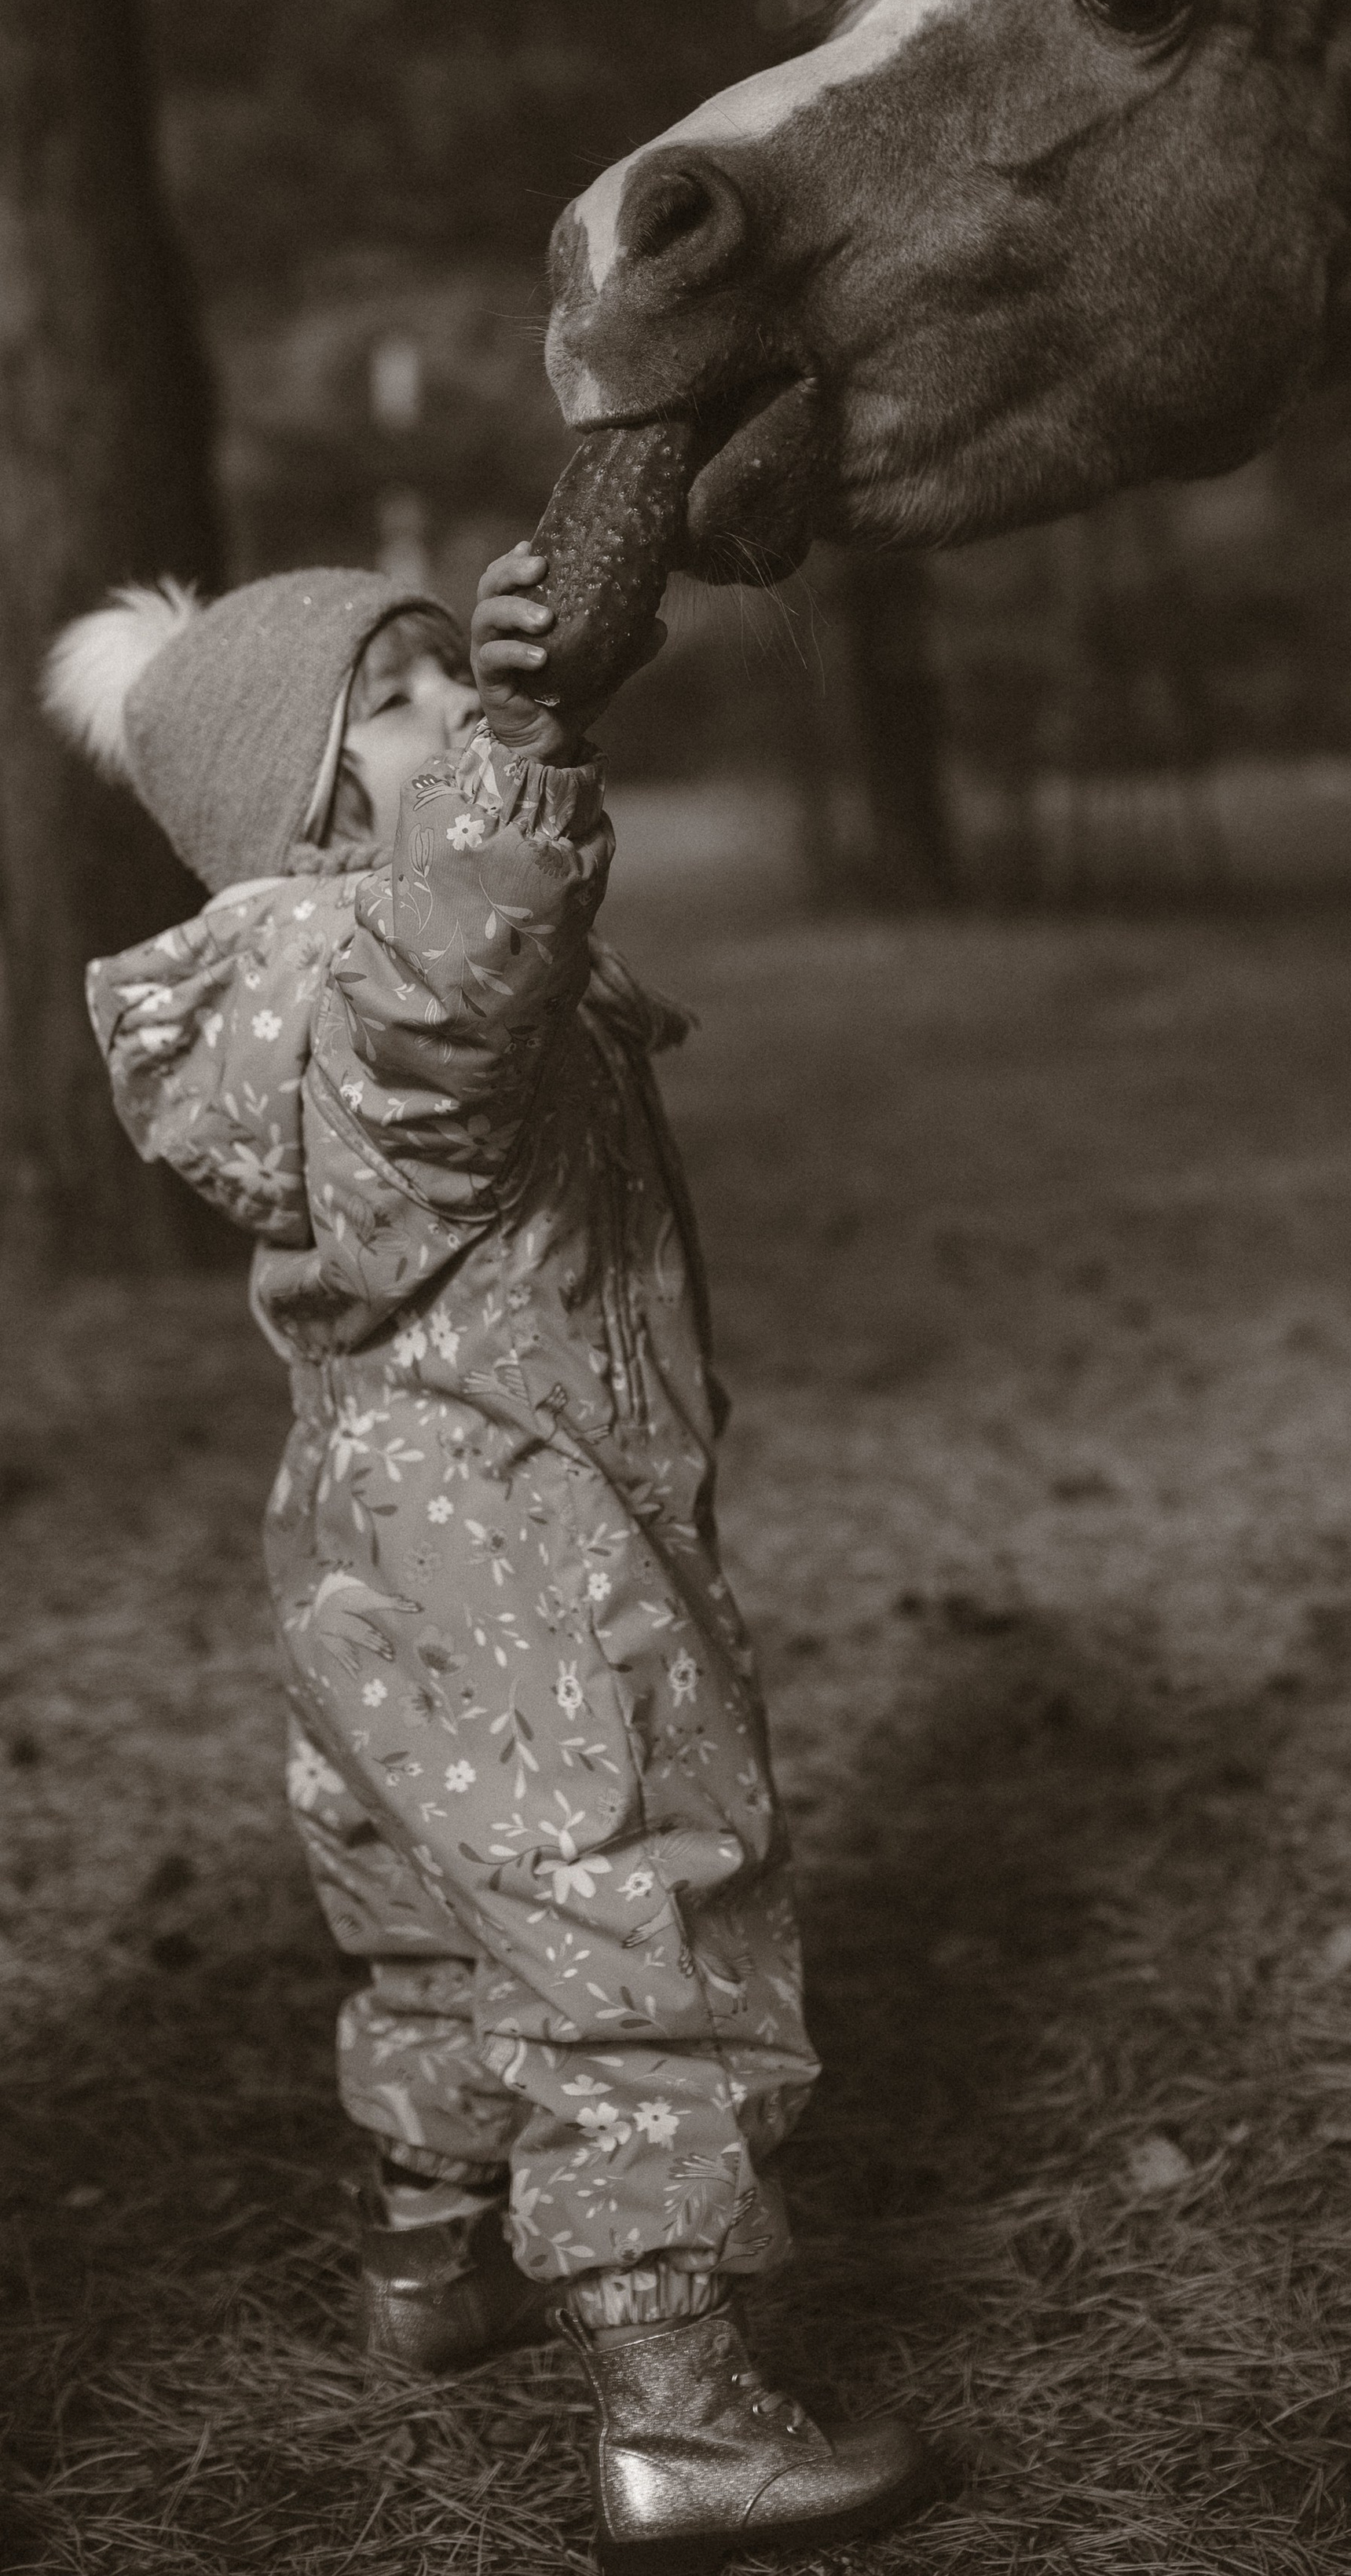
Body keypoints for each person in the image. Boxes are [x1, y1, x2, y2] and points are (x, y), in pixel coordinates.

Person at [43, 548, 932, 2575]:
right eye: (401, 700)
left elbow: (490, 975)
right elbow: (454, 998)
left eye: (457, 673)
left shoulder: (348, 961)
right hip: (525, 1532)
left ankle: (433, 2261)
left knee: (440, 1911)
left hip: (385, 1525)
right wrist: (528, 737)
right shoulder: (362, 978)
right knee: (633, 1910)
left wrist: (510, 726)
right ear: (301, 807)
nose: (454, 712)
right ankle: (683, 2414)